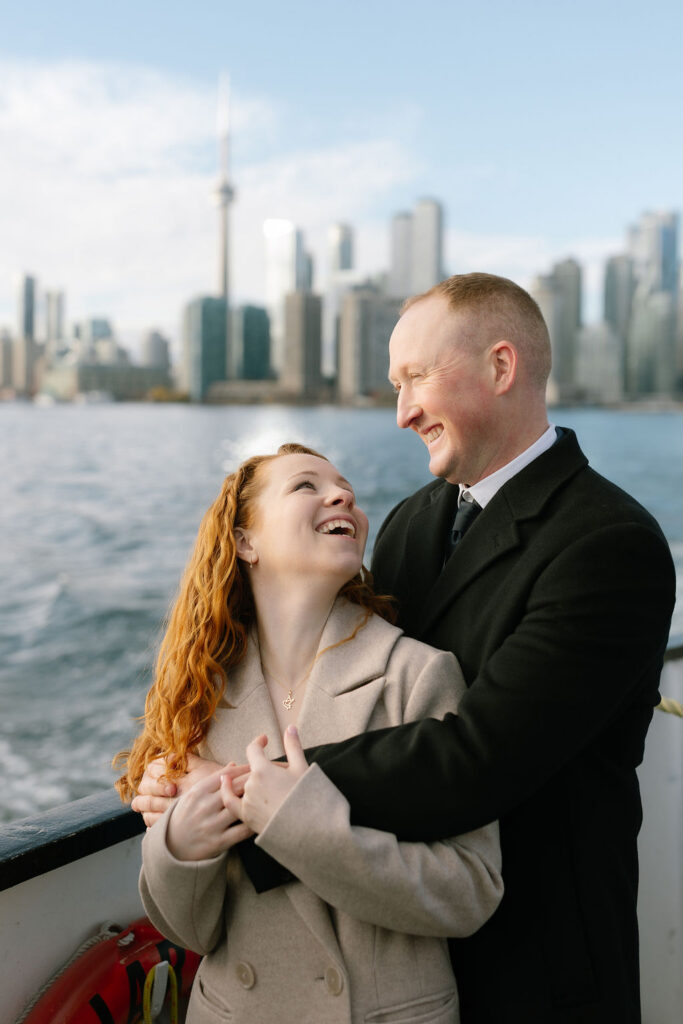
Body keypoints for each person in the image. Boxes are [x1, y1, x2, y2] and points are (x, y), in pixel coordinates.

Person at [134, 274, 676, 1024]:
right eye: (395, 385)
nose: (401, 412)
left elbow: (477, 754)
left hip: (539, 959)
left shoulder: (607, 542)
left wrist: (238, 787)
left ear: (500, 366)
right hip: (397, 949)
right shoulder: (413, 523)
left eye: (416, 377)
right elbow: (362, 682)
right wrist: (181, 797)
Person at [117, 443, 502, 1024]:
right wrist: (179, 851)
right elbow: (192, 934)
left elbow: (471, 889)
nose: (341, 494)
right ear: (245, 541)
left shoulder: (417, 675)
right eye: (305, 486)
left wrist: (291, 821)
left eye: (344, 486)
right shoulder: (205, 695)